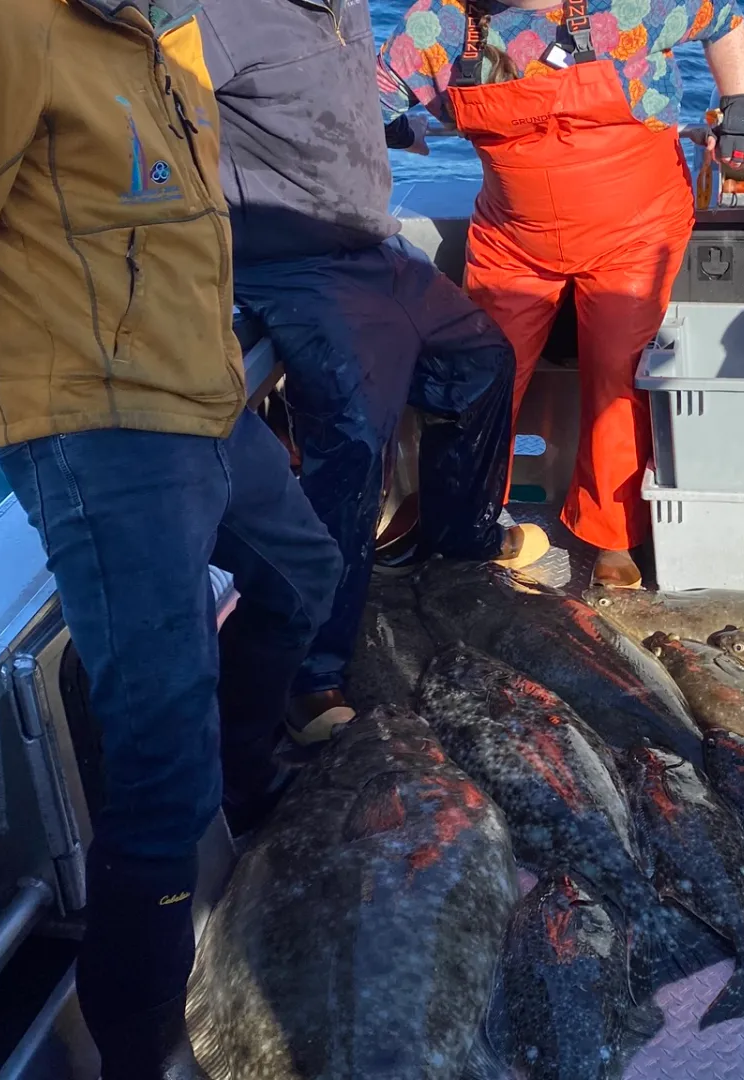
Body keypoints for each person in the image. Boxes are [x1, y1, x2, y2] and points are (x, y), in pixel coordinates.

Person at [0, 0, 344, 1075]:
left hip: (202, 407)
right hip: (99, 434)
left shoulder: (160, 37)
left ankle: (245, 794)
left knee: (303, 573)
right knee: (162, 763)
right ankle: (142, 1050)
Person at [197, 0, 548, 746]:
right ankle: (310, 672)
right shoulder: (216, 16)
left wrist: (377, 127)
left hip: (371, 247)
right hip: (286, 263)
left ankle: (458, 544)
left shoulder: (344, 5)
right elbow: (154, 114)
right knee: (354, 435)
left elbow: (348, 90)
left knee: (481, 362)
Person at [377, 0, 744, 588]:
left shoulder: (633, 7)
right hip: (514, 236)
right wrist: (393, 123)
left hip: (636, 231)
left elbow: (723, 18)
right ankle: (461, 518)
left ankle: (614, 533)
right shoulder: (439, 24)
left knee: (618, 375)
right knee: (478, 374)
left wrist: (741, 102)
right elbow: (359, 99)